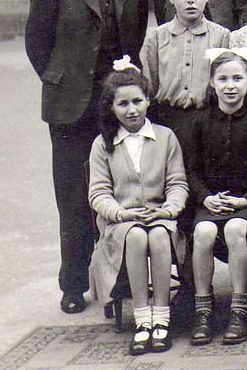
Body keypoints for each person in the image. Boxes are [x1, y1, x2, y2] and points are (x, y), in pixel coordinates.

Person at [25, 0, 149, 314]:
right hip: (70, 108)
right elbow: (37, 43)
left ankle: (122, 281)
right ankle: (74, 284)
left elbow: (134, 39)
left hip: (118, 105)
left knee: (125, 188)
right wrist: (62, 79)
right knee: (74, 196)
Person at [87, 60, 188, 355]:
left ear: (147, 101)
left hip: (160, 217)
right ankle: (142, 319)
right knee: (135, 235)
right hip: (121, 222)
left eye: (137, 101)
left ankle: (162, 317)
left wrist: (168, 209)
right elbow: (98, 193)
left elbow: (178, 183)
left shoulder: (166, 137)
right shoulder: (103, 144)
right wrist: (121, 213)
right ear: (111, 108)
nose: (131, 110)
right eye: (123, 104)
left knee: (156, 235)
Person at [185, 50, 247, 346]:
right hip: (211, 202)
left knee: (236, 229)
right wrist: (206, 198)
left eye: (237, 78)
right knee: (203, 230)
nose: (230, 85)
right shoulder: (200, 121)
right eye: (222, 79)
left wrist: (245, 201)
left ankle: (239, 306)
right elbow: (192, 169)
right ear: (212, 83)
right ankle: (203, 308)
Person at [140, 0, 230, 136]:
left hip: (208, 119)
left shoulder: (222, 36)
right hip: (166, 120)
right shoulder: (157, 37)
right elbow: (150, 85)